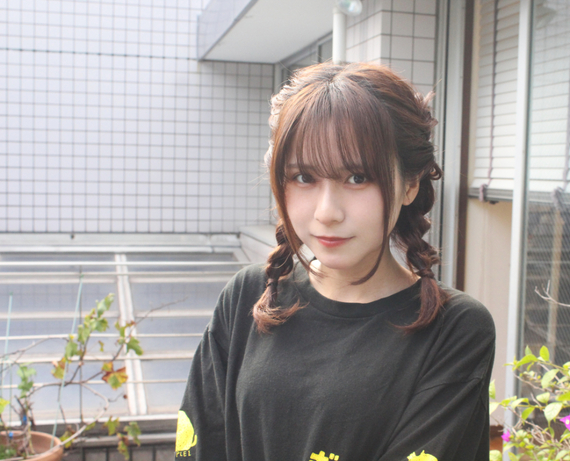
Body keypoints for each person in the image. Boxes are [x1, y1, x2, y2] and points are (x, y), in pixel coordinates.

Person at [176, 62, 496, 461]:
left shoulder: (454, 329)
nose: (327, 212)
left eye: (357, 177)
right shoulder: (247, 296)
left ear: (411, 183)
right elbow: (198, 442)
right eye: (304, 177)